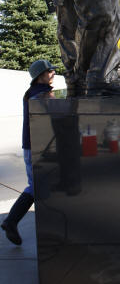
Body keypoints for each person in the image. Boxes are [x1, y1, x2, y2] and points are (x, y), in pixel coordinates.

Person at [1, 59, 55, 245]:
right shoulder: (40, 95)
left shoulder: (31, 93)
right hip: (37, 146)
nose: (53, 73)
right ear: (41, 76)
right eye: (50, 71)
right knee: (36, 186)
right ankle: (11, 221)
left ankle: (12, 222)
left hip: (33, 146)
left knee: (39, 185)